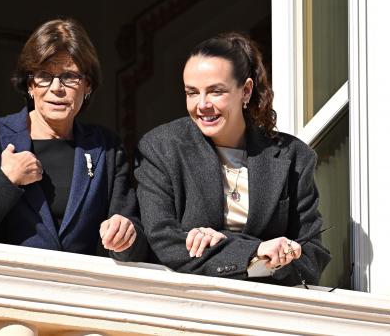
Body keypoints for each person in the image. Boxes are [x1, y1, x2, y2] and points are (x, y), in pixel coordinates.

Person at [135, 32, 330, 284]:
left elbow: (312, 256)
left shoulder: (295, 157)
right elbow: (163, 240)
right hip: (187, 304)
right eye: (192, 92)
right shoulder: (161, 147)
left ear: (245, 91)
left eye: (216, 91)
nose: (202, 104)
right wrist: (255, 252)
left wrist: (234, 248)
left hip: (268, 311)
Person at [0, 18, 147, 261]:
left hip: (80, 293)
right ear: (30, 84)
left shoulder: (106, 147)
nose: (57, 88)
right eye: (45, 75)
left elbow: (136, 247)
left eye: (70, 76)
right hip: (4, 289)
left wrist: (125, 235)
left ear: (88, 86)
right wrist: (5, 181)